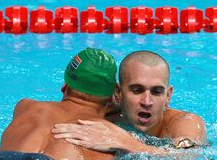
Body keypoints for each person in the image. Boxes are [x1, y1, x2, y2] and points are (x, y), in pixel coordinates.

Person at [52, 50, 207, 154]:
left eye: (157, 92)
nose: (147, 101)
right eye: (137, 90)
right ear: (118, 93)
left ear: (168, 95)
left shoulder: (185, 122)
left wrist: (126, 143)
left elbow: (187, 157)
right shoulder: (105, 115)